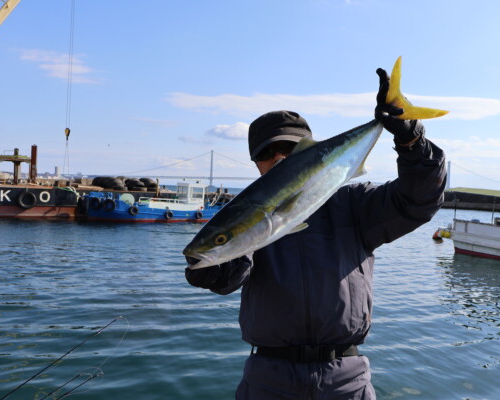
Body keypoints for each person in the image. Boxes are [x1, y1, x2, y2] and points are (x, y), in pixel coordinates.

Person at [185, 68, 447, 399]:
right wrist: (213, 266)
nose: (278, 157)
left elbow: (419, 200)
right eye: (266, 153)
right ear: (255, 163)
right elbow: (231, 272)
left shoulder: (354, 205)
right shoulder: (251, 216)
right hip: (269, 378)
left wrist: (411, 141)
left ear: (311, 152)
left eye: (289, 148)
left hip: (346, 380)